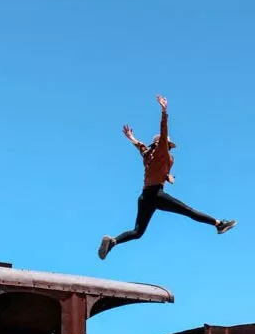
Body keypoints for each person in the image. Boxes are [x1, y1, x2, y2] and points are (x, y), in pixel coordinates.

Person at [98, 94, 235, 260]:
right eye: (168, 145)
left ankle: (113, 242)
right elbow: (164, 131)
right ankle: (219, 224)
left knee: (137, 231)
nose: (169, 147)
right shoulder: (162, 150)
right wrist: (164, 111)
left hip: (145, 197)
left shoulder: (148, 154)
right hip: (156, 194)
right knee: (189, 211)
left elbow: (140, 147)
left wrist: (131, 138)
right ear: (162, 144)